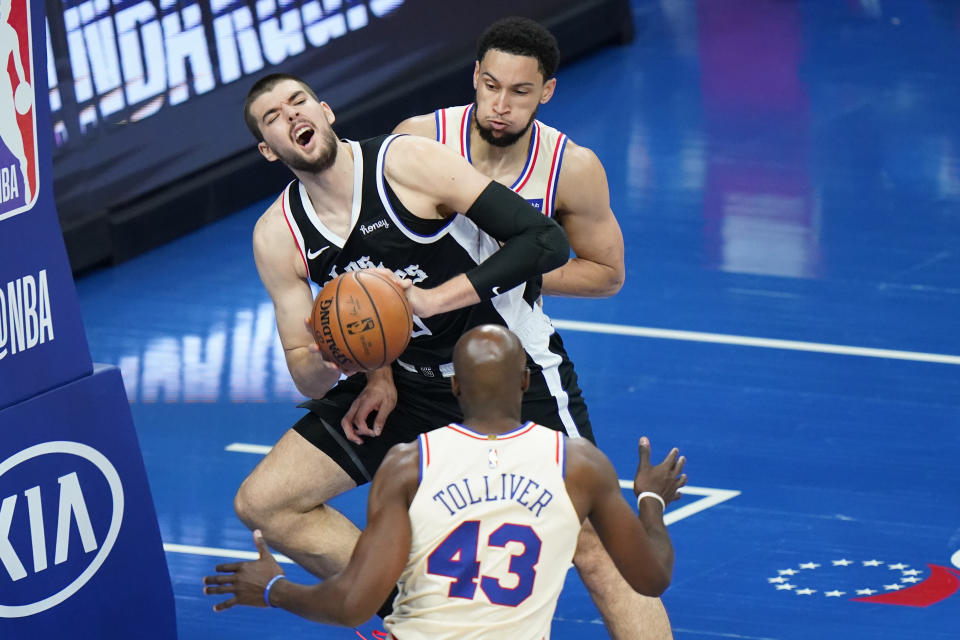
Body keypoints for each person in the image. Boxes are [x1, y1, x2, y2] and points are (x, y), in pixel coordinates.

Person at [232, 72, 591, 614]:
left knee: (595, 545)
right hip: (407, 387)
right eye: (274, 117)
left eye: (298, 102)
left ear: (325, 110)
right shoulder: (277, 234)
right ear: (268, 149)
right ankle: (425, 617)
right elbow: (305, 372)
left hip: (506, 375)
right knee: (266, 502)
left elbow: (545, 239)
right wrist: (353, 361)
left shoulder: (407, 163)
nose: (292, 116)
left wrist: (427, 300)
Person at [393, 16, 672, 639]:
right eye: (489, 85)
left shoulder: (570, 167)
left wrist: (500, 276)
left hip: (518, 371)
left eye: (519, 92)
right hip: (418, 367)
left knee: (594, 541)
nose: (499, 104)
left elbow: (606, 274)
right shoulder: (418, 140)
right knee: (414, 524)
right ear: (473, 77)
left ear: (546, 91)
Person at [205, 325, 687, 640]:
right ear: (526, 382)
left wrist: (274, 589)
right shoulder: (578, 464)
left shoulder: (407, 464)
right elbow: (652, 576)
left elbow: (352, 604)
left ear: (455, 388)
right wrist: (650, 499)